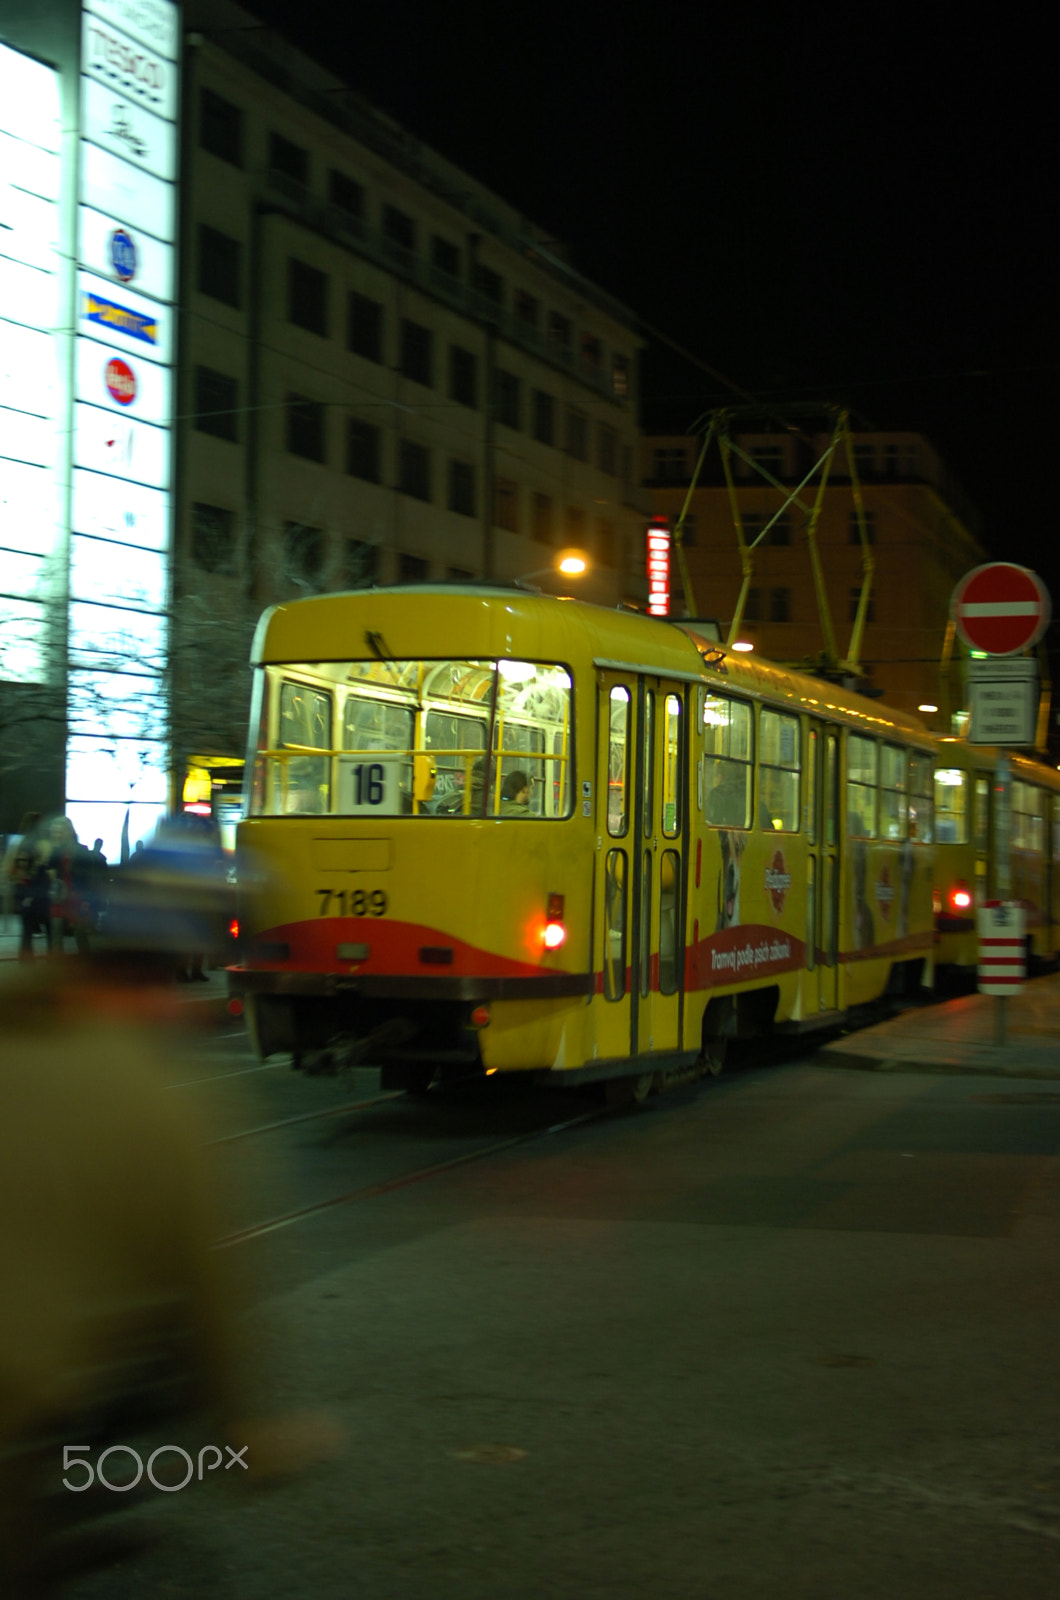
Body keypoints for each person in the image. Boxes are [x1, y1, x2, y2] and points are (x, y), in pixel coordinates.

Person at [5, 812, 51, 962]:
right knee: (50, 929)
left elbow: (9, 869)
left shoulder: (17, 844)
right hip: (43, 892)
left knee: (27, 930)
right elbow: (50, 870)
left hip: (23, 891)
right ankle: (54, 962)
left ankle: (26, 962)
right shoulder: (44, 844)